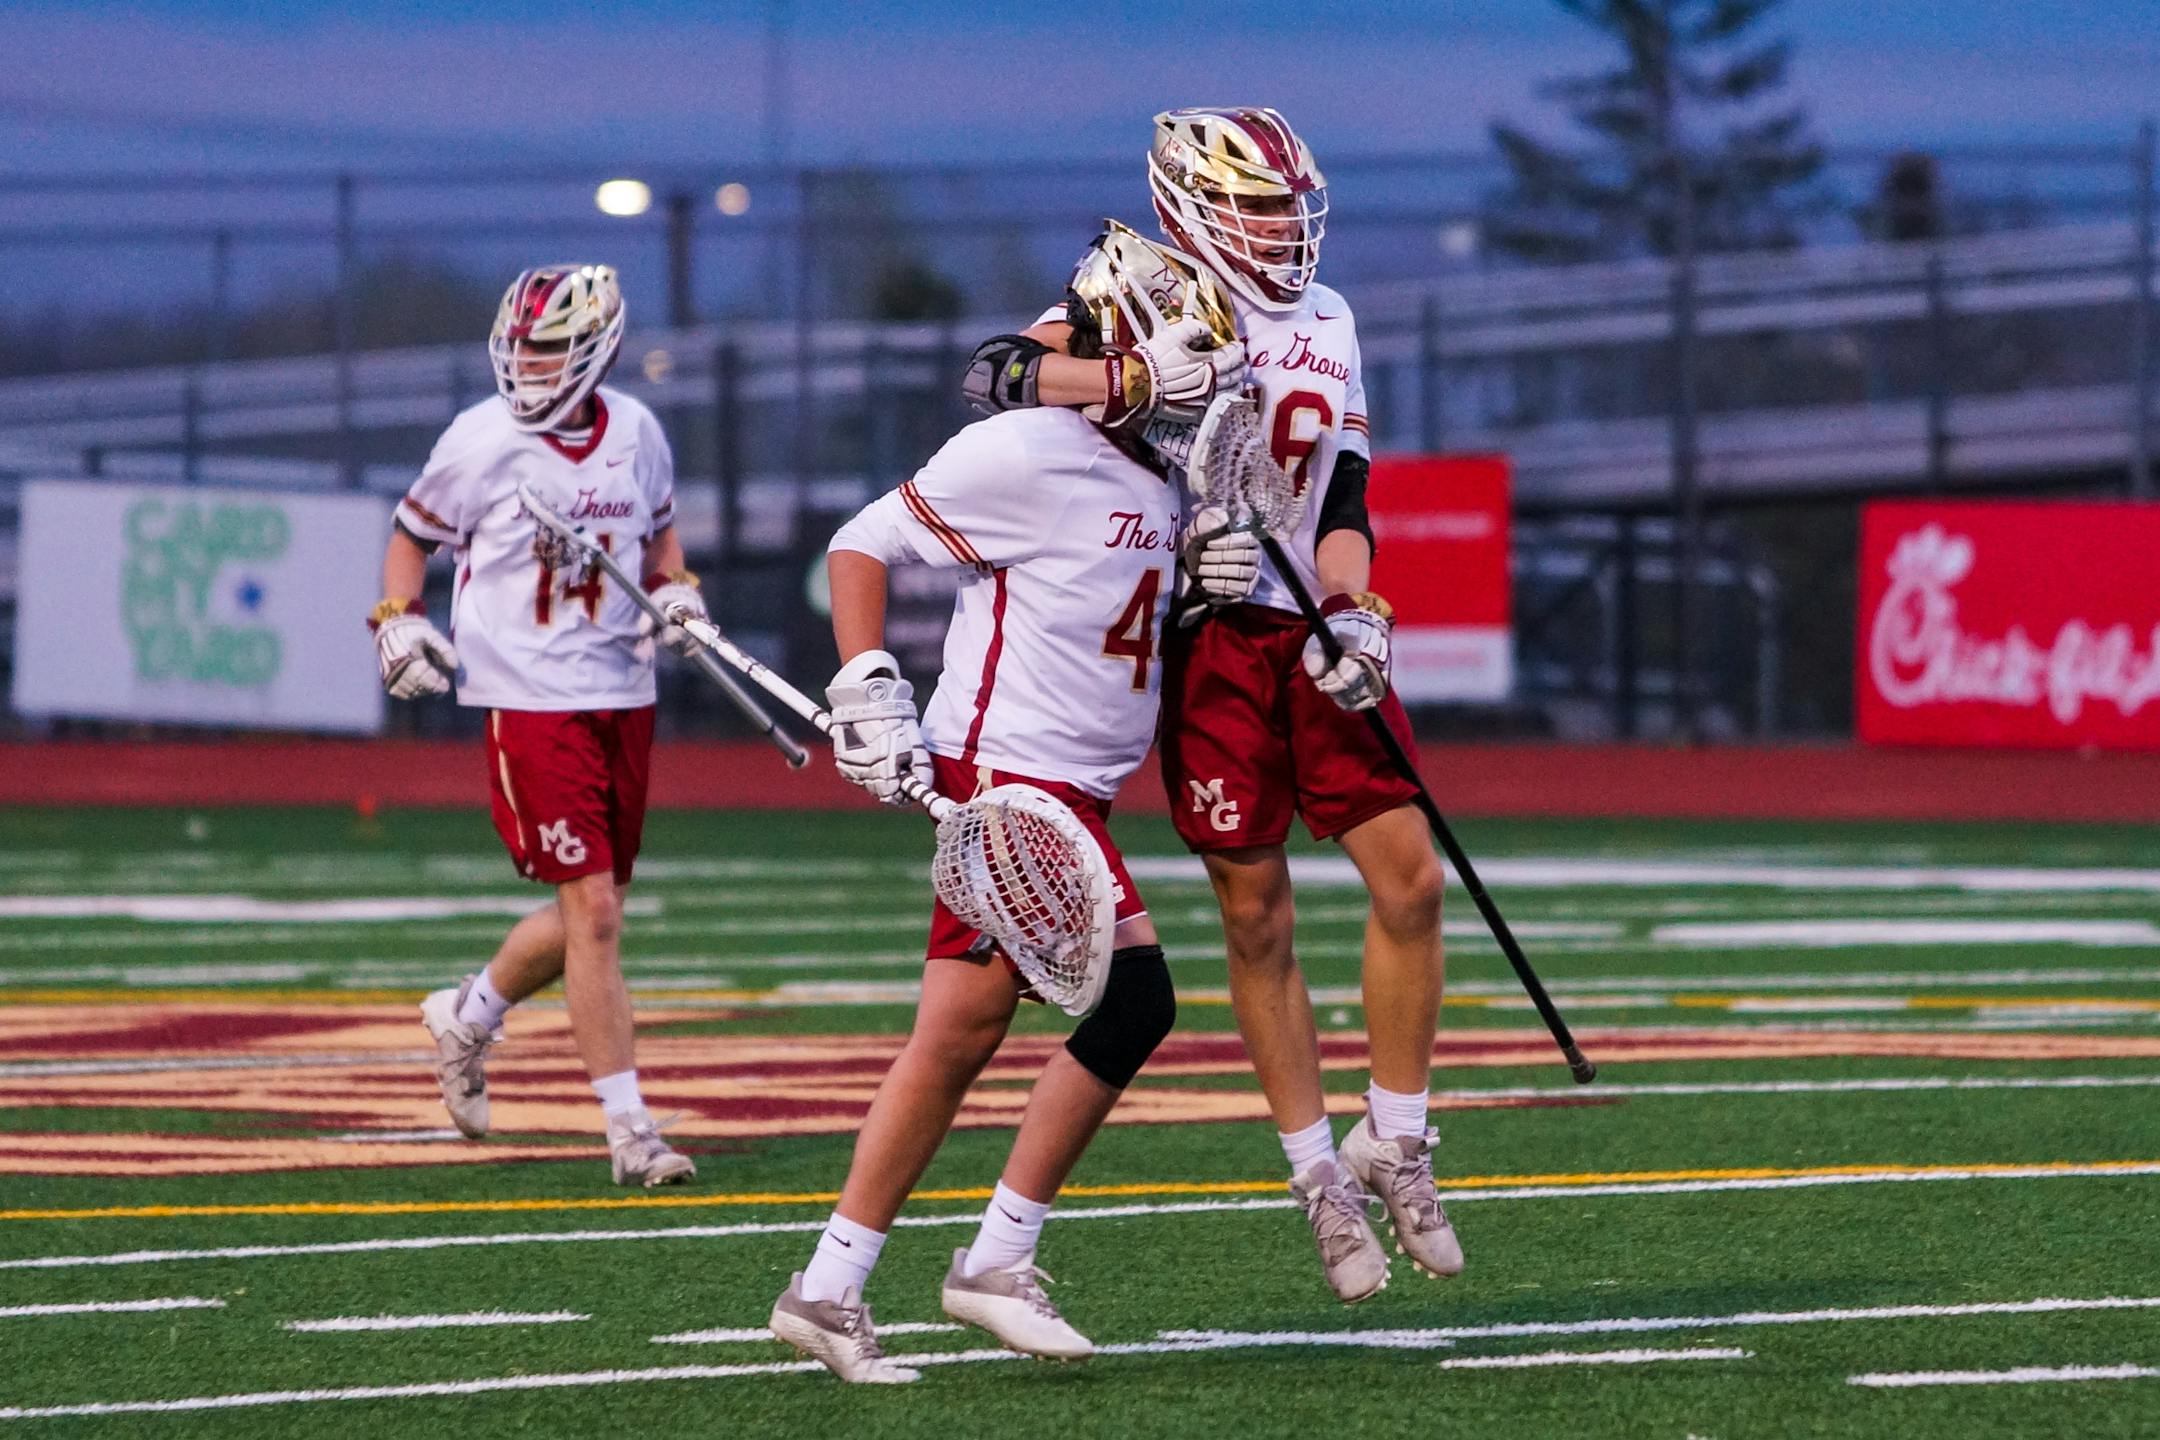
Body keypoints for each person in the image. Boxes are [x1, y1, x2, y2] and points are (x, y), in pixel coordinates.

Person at [959, 108, 1461, 1304]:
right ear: (1190, 203)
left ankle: (1394, 1137)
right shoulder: (1133, 287)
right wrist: (1134, 377)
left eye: (1292, 208)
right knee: (1257, 915)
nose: (1284, 231)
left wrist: (1358, 612)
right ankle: (1315, 1178)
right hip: (1203, 640)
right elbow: (997, 378)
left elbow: (1342, 496)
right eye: (1260, 208)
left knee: (1412, 875)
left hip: (1303, 627)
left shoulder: (1329, 317)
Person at [766, 226, 1241, 1383]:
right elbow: (861, 542)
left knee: (958, 1039)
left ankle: (834, 1288)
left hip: (1072, 789)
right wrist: (867, 678)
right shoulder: (1036, 447)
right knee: (1131, 1005)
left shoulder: (1155, 473)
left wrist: (1205, 589)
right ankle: (982, 1261)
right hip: (1008, 780)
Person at [369, 263, 703, 1188]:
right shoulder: (481, 441)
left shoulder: (636, 431)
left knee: (591, 913)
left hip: (621, 690)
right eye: (522, 347)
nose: (531, 365)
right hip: (524, 691)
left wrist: (681, 599)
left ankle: (468, 1014)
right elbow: (410, 533)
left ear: (598, 347)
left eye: (550, 348)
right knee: (593, 912)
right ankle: (631, 1131)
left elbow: (663, 537)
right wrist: (398, 616)